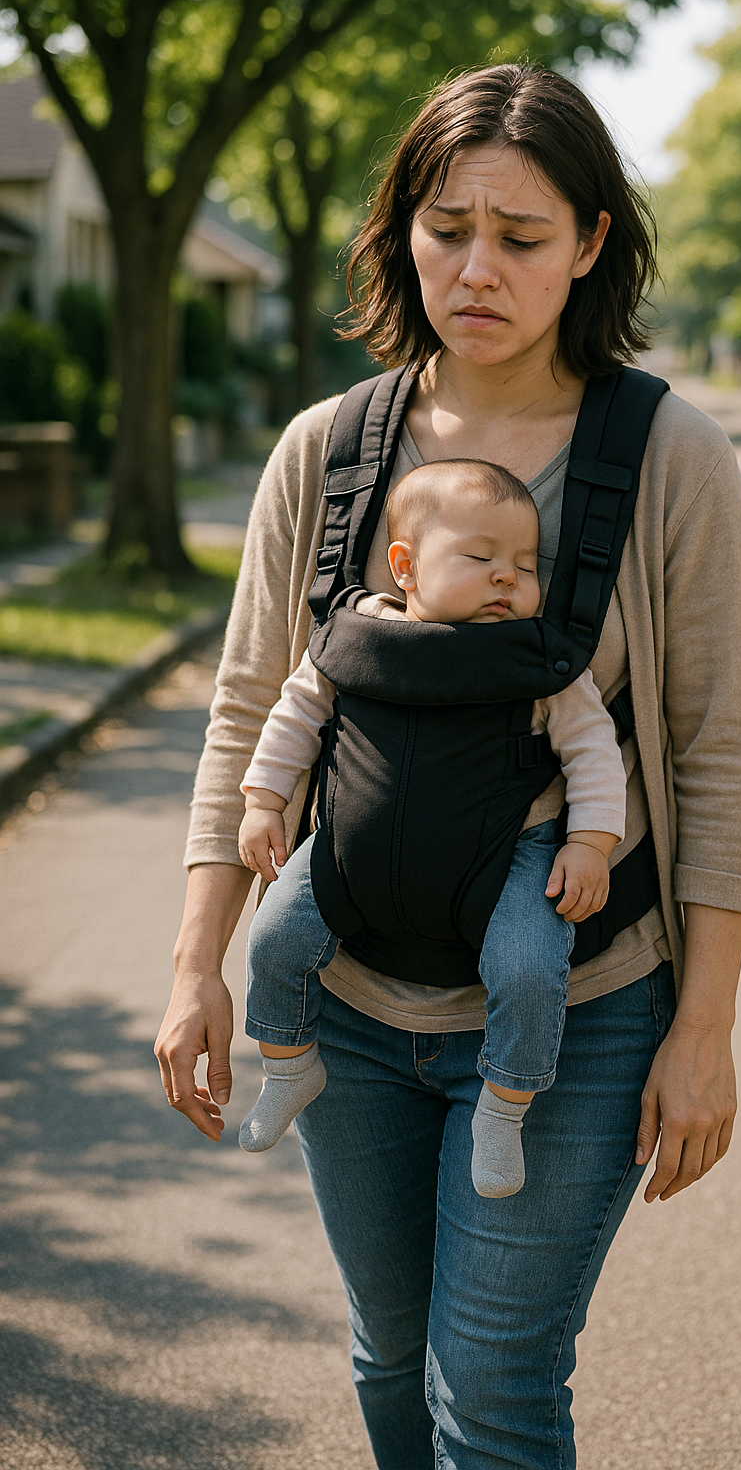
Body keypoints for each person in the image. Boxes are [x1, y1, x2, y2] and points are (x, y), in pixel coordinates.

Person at [155, 63, 741, 1470]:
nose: (476, 267)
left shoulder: (671, 457)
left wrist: (707, 1028)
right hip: (352, 1012)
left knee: (489, 1384)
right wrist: (200, 958)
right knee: (390, 1352)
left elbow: (721, 760)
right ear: (401, 231)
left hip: (582, 1005)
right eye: (446, 228)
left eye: (523, 235)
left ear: (595, 242)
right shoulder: (327, 452)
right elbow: (250, 708)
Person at [235, 457, 627, 1202]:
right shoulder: (356, 638)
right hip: (354, 850)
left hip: (509, 855)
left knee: (528, 965)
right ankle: (288, 1063)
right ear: (405, 567)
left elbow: (594, 752)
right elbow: (293, 717)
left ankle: (504, 1109)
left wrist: (591, 843)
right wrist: (261, 801)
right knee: (275, 936)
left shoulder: (538, 660)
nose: (508, 577)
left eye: (523, 563)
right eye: (480, 558)